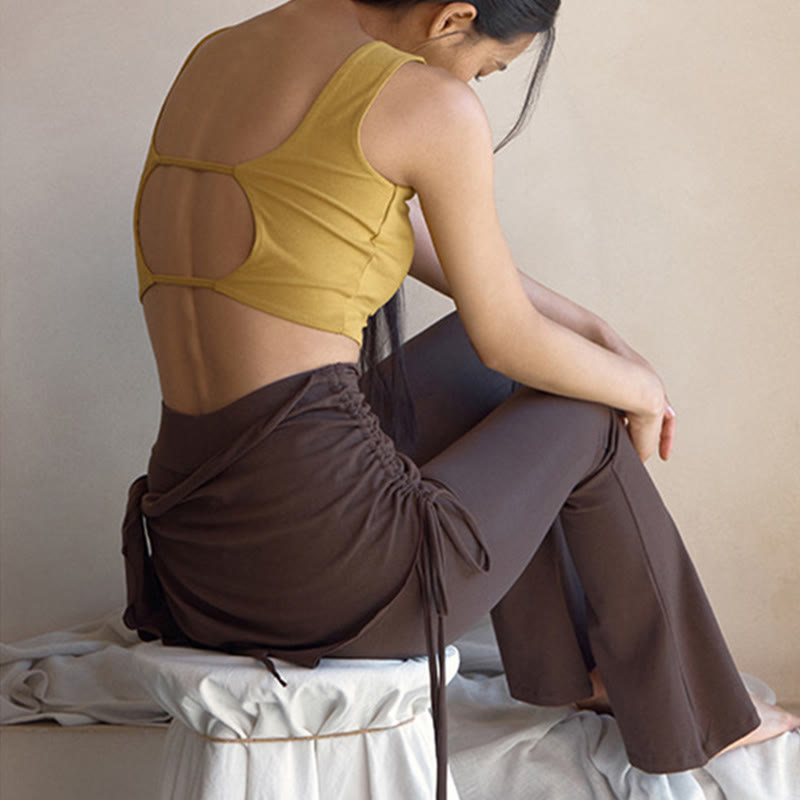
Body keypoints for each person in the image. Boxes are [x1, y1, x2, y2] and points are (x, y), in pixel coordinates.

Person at [120, 1, 800, 798]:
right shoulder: (425, 102)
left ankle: (574, 675)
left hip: (196, 563)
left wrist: (592, 330)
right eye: (487, 67)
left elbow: (364, 226)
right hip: (322, 581)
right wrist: (642, 391)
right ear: (453, 18)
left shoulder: (223, 55)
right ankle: (695, 711)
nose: (473, 85)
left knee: (516, 363)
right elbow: (507, 337)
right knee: (582, 407)